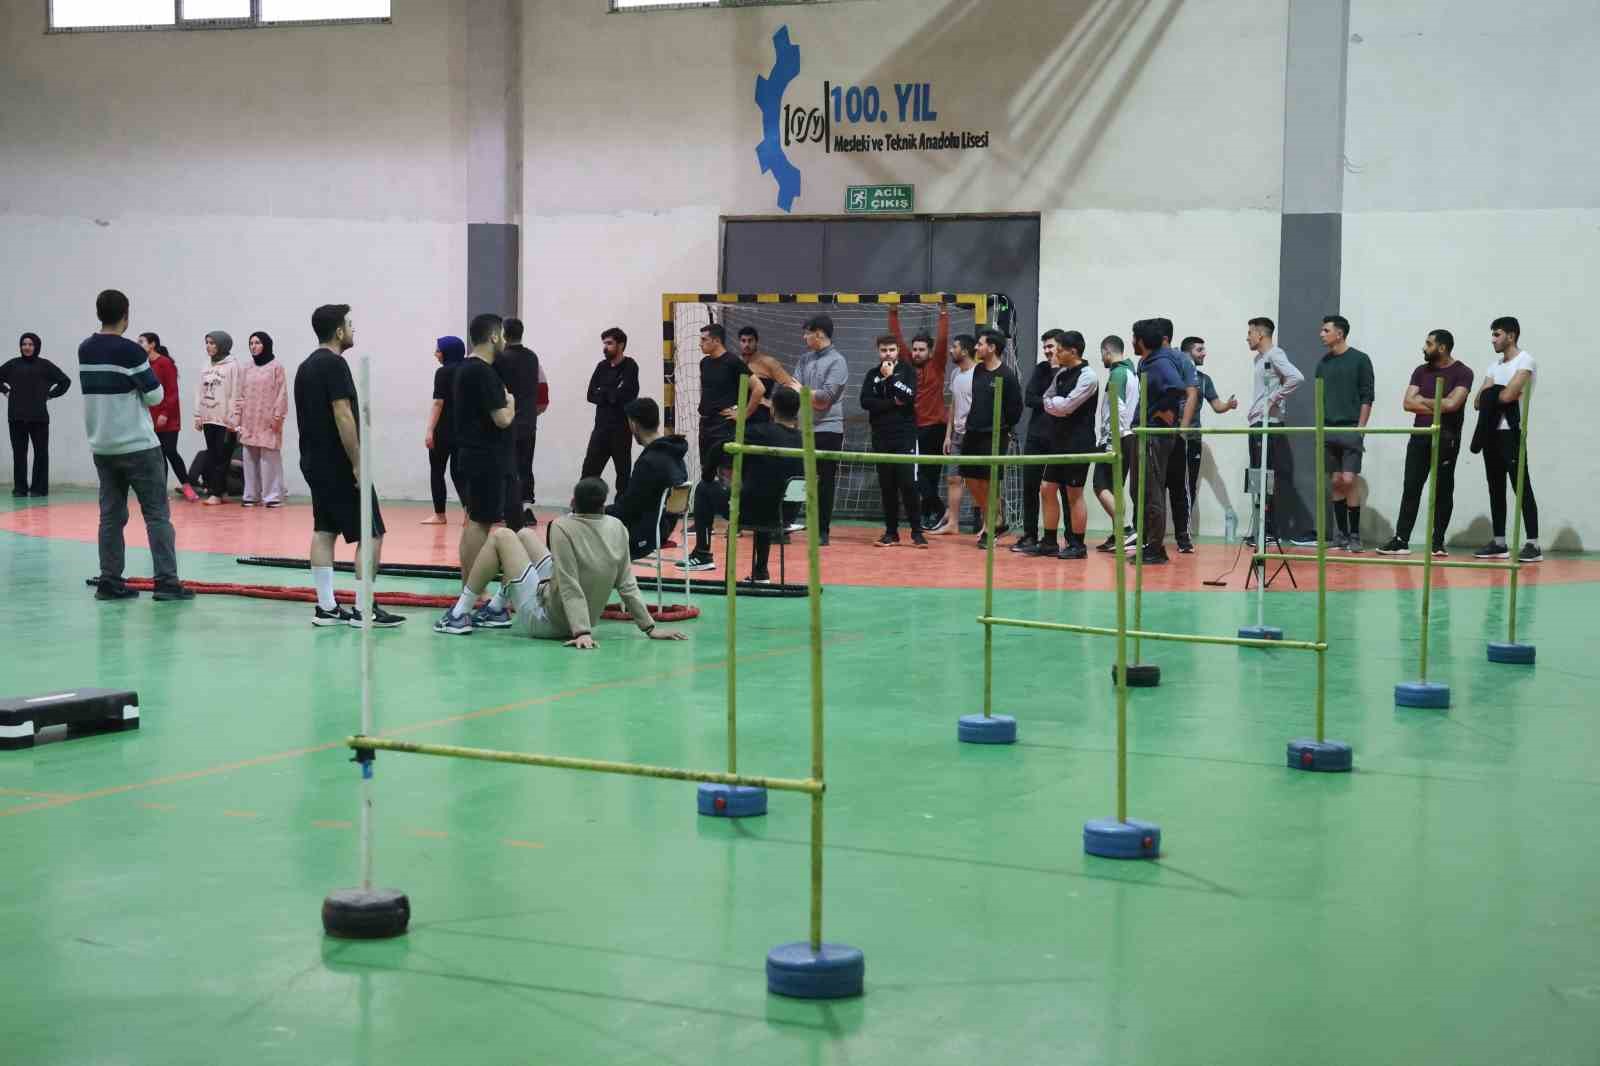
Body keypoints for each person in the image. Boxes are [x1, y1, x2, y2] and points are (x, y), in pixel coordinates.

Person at [433, 476, 689, 648]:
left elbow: (568, 582)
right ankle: (497, 609)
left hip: (550, 623)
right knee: (523, 535)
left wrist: (581, 632)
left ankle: (459, 613)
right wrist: (650, 627)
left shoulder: (562, 526)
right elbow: (627, 584)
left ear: (573, 502)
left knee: (502, 535)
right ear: (603, 504)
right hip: (577, 615)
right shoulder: (618, 527)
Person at [77, 290, 191, 602]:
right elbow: (154, 396)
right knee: (157, 515)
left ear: (99, 313)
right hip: (139, 446)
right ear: (126, 315)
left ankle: (110, 581)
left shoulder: (85, 349)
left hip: (103, 446)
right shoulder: (131, 351)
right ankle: (167, 583)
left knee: (110, 517)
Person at [293, 303, 403, 628]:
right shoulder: (335, 365)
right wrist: (357, 462)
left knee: (324, 530)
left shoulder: (305, 367)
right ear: (339, 331)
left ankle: (326, 607)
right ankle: (363, 607)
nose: (353, 330)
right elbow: (342, 414)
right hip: (339, 462)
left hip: (313, 462)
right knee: (371, 533)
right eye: (350, 325)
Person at [680, 387, 804, 581]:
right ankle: (761, 571)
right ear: (797, 411)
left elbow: (719, 447)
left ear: (772, 409)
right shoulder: (804, 440)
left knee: (704, 489)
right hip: (788, 514)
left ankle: (702, 554)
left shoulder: (760, 432)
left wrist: (708, 474)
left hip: (753, 511)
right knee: (766, 493)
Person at [1375, 330, 1472, 557]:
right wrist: (1439, 402)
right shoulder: (1421, 371)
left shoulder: (1463, 372)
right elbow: (1407, 404)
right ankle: (1401, 540)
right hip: (1419, 436)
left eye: (1429, 344)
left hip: (1446, 438)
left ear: (1442, 348)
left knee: (1443, 489)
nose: (1424, 347)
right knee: (1411, 487)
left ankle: (1437, 542)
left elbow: (1452, 405)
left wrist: (1424, 401)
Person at [453, 313, 517, 622]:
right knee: (479, 523)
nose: (505, 339)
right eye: (502, 334)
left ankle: (471, 587)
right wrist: (513, 403)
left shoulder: (469, 370)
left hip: (473, 456)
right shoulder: (483, 373)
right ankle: (472, 591)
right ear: (493, 337)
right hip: (485, 458)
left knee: (474, 521)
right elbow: (502, 418)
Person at [1472, 317, 1540, 562]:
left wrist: (1493, 393)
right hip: (1491, 433)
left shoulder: (1525, 361)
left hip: (1511, 432)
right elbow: (1478, 401)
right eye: (1492, 334)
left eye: (1497, 334)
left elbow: (1509, 395)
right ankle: (1499, 543)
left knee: (1521, 487)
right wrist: (1494, 394)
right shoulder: (1494, 366)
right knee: (1495, 488)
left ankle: (1533, 543)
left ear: (1511, 336)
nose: (1493, 339)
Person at [1031, 331, 1097, 559]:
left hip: (1078, 443)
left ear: (1073, 351)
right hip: (1058, 441)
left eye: (1059, 350)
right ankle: (1049, 541)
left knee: (1074, 494)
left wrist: (1053, 404)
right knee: (1047, 489)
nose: (1055, 353)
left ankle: (1077, 545)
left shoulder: (1088, 376)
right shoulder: (1061, 374)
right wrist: (1053, 403)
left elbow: (1067, 406)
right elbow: (1045, 399)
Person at [1312, 315, 1375, 551]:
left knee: (1349, 480)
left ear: (1339, 333)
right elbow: (1319, 398)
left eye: (1325, 330)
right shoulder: (1323, 364)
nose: (1321, 334)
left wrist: (1360, 428)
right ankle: (1342, 536)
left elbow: (1367, 395)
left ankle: (1356, 535)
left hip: (1350, 428)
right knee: (1336, 481)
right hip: (1327, 429)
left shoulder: (1360, 360)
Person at [887, 302, 951, 530]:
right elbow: (897, 337)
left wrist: (943, 313)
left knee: (930, 475)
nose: (916, 352)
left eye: (921, 349)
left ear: (930, 352)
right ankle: (941, 510)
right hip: (913, 428)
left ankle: (929, 515)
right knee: (915, 474)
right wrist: (893, 311)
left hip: (935, 427)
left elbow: (943, 340)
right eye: (915, 349)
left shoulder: (937, 364)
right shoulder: (906, 363)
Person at [1128, 319, 1187, 564]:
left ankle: (1155, 547)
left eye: (1134, 337)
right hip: (1144, 432)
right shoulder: (1149, 362)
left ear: (1141, 341)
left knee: (1152, 491)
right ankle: (1148, 541)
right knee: (1139, 490)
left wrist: (1158, 413)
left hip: (1154, 434)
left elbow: (1176, 388)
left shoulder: (1160, 362)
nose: (1132, 341)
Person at [859, 334, 926, 548]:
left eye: (891, 350)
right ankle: (891, 533)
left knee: (909, 485)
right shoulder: (871, 374)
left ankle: (917, 533)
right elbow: (865, 402)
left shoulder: (907, 371)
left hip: (905, 437)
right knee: (887, 487)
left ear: (898, 350)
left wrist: (890, 379)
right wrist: (892, 402)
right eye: (883, 350)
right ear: (878, 352)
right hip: (881, 437)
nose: (887, 354)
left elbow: (909, 397)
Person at [960, 327, 1023, 549]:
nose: (976, 347)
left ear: (992, 347)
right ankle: (994, 518)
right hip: (972, 432)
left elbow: (1016, 408)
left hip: (994, 435)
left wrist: (1003, 427)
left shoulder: (1007, 375)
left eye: (980, 344)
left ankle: (992, 525)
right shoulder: (978, 371)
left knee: (990, 481)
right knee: (970, 478)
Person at [606, 396, 689, 560]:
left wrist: (594, 510)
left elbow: (627, 509)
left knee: (578, 528)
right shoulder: (675, 453)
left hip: (645, 534)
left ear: (634, 425)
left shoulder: (649, 462)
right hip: (663, 528)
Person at [1244, 317, 1303, 545]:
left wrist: (1273, 399)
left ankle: (1268, 530)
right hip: (1258, 423)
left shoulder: (1275, 354)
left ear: (1260, 334)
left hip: (1269, 424)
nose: (1247, 337)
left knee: (1268, 477)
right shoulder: (1259, 359)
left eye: (1250, 332)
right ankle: (1261, 529)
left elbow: (1296, 377)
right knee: (1258, 476)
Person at [794, 314, 849, 545]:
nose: (804, 337)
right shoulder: (804, 359)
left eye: (807, 332)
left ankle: (822, 531)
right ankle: (788, 522)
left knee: (825, 482)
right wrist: (804, 392)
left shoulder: (838, 362)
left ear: (819, 334)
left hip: (828, 430)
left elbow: (824, 399)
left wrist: (803, 391)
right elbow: (791, 387)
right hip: (802, 427)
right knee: (797, 478)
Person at [1178, 336, 1239, 542]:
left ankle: (1184, 534)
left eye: (1204, 349)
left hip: (1193, 439)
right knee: (1169, 484)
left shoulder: (1204, 380)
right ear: (1186, 353)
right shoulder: (1175, 375)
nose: (1204, 353)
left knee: (1189, 486)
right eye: (1199, 350)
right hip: (1171, 439)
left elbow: (1217, 405)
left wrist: (1228, 406)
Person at [1013, 331, 1068, 554]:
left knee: (1062, 489)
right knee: (1030, 486)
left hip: (1060, 437)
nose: (1047, 351)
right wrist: (1051, 402)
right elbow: (1029, 398)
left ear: (1061, 347)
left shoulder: (1069, 371)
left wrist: (1047, 400)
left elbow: (1067, 401)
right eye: (1044, 347)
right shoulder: (1040, 369)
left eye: (1051, 347)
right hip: (1036, 436)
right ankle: (1029, 535)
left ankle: (1065, 537)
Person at [2, 331, 71, 497]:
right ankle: (20, 489)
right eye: (24, 344)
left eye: (30, 344)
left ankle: (39, 489)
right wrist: (5, 391)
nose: (26, 347)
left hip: (39, 417)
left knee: (41, 453)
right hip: (16, 417)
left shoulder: (45, 366)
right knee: (19, 454)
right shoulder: (12, 365)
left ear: (36, 346)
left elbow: (65, 381)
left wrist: (50, 395)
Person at [696, 323, 764, 484]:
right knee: (706, 471)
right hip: (705, 424)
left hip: (724, 426)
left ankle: (730, 508)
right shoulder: (704, 363)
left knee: (727, 472)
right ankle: (710, 507)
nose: (700, 343)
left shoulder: (733, 362)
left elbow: (759, 388)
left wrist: (743, 414)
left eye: (704, 339)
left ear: (716, 341)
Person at [581, 327, 640, 499]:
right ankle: (583, 507)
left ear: (620, 345)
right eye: (604, 343)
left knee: (623, 475)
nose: (605, 347)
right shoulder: (601, 366)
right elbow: (591, 394)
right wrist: (612, 392)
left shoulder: (630, 366)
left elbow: (628, 394)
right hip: (600, 428)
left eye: (609, 343)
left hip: (621, 429)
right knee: (589, 471)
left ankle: (623, 512)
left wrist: (605, 392)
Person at [1092, 335, 1139, 551]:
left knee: (1100, 486)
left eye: (1102, 354)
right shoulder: (1130, 372)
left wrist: (1111, 440)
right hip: (1127, 436)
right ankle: (1118, 534)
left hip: (1118, 437)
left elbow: (1117, 408)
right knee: (1114, 488)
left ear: (1106, 352)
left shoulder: (1118, 374)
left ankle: (1127, 529)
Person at [497, 317, 546, 522]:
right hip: (528, 422)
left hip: (504, 423)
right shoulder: (533, 358)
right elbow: (543, 391)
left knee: (504, 466)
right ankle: (526, 508)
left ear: (504, 335)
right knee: (525, 466)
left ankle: (506, 508)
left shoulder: (499, 359)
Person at [138, 334, 198, 502]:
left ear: (152, 344)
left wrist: (164, 412)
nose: (138, 344)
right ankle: (160, 491)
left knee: (170, 451)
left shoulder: (165, 363)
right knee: (157, 455)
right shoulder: (143, 365)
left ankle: (187, 486)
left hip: (168, 417)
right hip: (150, 417)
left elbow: (172, 392)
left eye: (141, 341)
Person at [932, 333, 977, 535]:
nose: (951, 350)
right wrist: (948, 435)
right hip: (957, 435)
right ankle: (953, 523)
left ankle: (989, 524)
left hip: (975, 435)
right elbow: (953, 405)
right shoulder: (955, 374)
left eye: (955, 346)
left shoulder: (979, 373)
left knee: (979, 482)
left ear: (965, 351)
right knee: (953, 479)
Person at [193, 330, 243, 506]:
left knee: (222, 457)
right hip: (209, 418)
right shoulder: (205, 365)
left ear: (222, 344)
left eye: (212, 343)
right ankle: (218, 492)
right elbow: (199, 391)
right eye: (207, 342)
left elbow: (236, 393)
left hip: (225, 420)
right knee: (213, 456)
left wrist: (234, 419)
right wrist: (198, 415)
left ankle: (216, 493)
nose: (208, 346)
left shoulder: (232, 365)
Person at [238, 331, 288, 508]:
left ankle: (272, 496)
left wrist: (277, 416)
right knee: (249, 458)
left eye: (257, 343)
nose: (253, 346)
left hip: (268, 421)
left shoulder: (276, 367)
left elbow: (282, 394)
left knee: (269, 459)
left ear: (266, 344)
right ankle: (251, 495)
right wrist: (237, 419)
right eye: (251, 343)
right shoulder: (246, 368)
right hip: (249, 420)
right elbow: (240, 394)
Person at [423, 336, 466, 524]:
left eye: (438, 350)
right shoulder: (468, 370)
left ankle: (440, 515)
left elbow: (439, 403)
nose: (435, 354)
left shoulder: (442, 373)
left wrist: (430, 430)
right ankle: (469, 513)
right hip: (464, 430)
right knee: (460, 473)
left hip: (444, 430)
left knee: (437, 471)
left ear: (447, 352)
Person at [736, 325, 797, 422]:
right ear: (739, 342)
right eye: (743, 341)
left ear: (756, 342)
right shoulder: (735, 363)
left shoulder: (768, 362)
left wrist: (772, 403)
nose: (746, 344)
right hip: (736, 418)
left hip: (760, 419)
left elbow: (790, 385)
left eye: (750, 340)